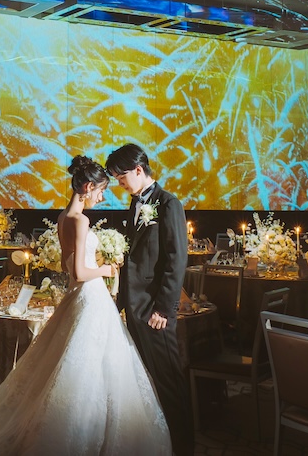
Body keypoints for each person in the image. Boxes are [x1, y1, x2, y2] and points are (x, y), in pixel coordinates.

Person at [0, 155, 173, 456]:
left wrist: (92, 265)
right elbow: (79, 272)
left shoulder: (63, 217)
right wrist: (106, 268)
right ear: (88, 187)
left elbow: (65, 265)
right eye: (101, 190)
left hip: (78, 296)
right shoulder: (82, 220)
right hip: (90, 296)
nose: (103, 197)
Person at [106, 143, 193, 456]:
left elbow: (176, 260)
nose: (120, 184)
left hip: (155, 312)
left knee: (169, 382)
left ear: (139, 170)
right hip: (134, 308)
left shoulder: (169, 204)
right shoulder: (135, 204)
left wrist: (164, 309)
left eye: (121, 178)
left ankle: (184, 447)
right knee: (146, 381)